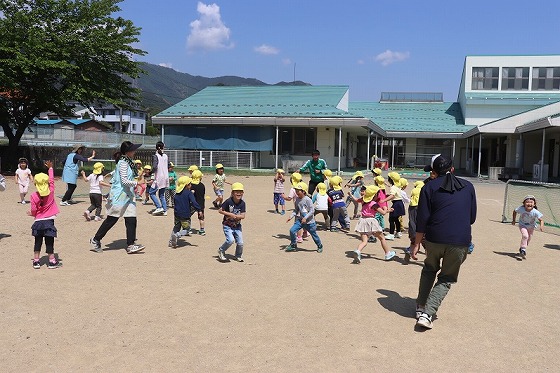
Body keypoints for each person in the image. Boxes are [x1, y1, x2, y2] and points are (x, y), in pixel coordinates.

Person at [411, 154, 477, 330]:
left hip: (434, 239)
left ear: (433, 171)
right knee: (446, 278)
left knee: (429, 269)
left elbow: (422, 220)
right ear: (452, 169)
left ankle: (420, 306)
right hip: (460, 240)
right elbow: (472, 217)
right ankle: (427, 314)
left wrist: (416, 244)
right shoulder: (469, 186)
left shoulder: (428, 187)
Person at [89, 141, 145, 254]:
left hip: (128, 196)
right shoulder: (123, 163)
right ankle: (95, 239)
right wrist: (136, 183)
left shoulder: (128, 162)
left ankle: (130, 244)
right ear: (127, 151)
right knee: (112, 219)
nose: (135, 151)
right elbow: (124, 181)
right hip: (120, 196)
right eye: (133, 149)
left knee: (131, 218)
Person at [348, 185, 395, 263]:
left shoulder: (363, 200)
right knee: (382, 238)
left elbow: (356, 200)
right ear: (374, 195)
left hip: (362, 221)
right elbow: (383, 212)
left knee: (364, 241)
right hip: (371, 221)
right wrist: (388, 210)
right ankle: (387, 254)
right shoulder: (374, 204)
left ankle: (358, 251)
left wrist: (350, 195)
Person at [29, 160, 62, 269]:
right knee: (49, 242)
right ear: (47, 183)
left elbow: (34, 210)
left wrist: (32, 214)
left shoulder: (33, 196)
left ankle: (36, 261)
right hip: (49, 222)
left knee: (37, 242)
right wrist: (50, 168)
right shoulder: (51, 192)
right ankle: (52, 261)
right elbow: (52, 181)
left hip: (38, 222)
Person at [284, 182, 323, 253]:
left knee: (314, 235)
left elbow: (312, 210)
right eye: (295, 190)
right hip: (300, 221)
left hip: (310, 222)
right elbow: (296, 210)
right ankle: (293, 245)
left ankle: (319, 245)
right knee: (292, 230)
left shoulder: (308, 200)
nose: (296, 192)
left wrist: (306, 218)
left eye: (298, 190)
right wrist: (291, 216)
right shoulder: (297, 200)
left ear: (303, 191)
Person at [169, 176, 202, 248]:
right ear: (187, 185)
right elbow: (193, 202)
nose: (191, 185)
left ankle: (171, 241)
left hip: (177, 214)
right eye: (190, 183)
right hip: (185, 214)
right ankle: (177, 235)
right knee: (186, 229)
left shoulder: (177, 193)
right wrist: (199, 209)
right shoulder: (189, 193)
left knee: (176, 227)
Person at [217, 182, 246, 262]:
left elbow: (243, 216)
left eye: (240, 192)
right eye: (236, 192)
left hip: (237, 226)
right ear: (232, 193)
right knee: (230, 240)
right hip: (227, 225)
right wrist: (229, 214)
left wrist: (236, 216)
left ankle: (238, 255)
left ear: (243, 193)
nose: (238, 194)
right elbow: (220, 210)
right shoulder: (228, 201)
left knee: (240, 242)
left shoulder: (242, 203)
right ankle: (221, 250)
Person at [511, 195, 544, 259]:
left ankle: (522, 248)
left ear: (534, 204)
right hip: (522, 225)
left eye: (531, 202)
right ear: (524, 204)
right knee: (525, 236)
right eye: (527, 202)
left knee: (528, 238)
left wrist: (541, 226)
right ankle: (523, 250)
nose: (529, 204)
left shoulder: (535, 212)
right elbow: (515, 211)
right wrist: (514, 220)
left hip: (531, 226)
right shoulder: (521, 209)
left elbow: (541, 220)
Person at [405, 180, 424, 260]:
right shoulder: (422, 207)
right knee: (426, 246)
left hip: (413, 230)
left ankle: (409, 251)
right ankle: (430, 262)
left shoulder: (411, 207)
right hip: (422, 231)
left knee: (413, 242)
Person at [382, 172, 405, 240]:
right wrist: (388, 196)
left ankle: (391, 234)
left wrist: (384, 200)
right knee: (396, 219)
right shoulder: (397, 187)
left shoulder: (393, 187)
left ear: (391, 179)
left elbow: (392, 195)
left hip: (396, 204)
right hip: (400, 203)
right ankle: (398, 232)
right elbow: (394, 195)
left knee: (391, 219)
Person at [149, 141, 169, 215]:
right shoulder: (165, 156)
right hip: (165, 177)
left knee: (151, 192)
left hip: (159, 177)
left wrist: (150, 173)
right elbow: (168, 165)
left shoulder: (155, 156)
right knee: (161, 195)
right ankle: (164, 210)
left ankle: (158, 207)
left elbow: (154, 167)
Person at [190, 169, 207, 235]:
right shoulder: (202, 185)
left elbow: (190, 194)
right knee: (201, 217)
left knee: (188, 216)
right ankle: (202, 230)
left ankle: (188, 229)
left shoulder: (191, 185)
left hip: (193, 203)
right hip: (201, 203)